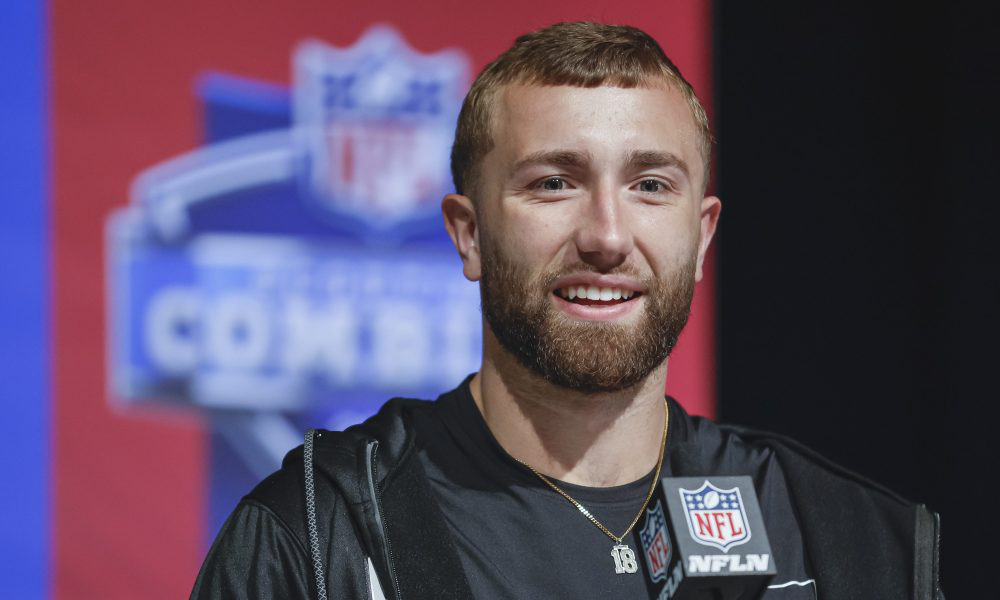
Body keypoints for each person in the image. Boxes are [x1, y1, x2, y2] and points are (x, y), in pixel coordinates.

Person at [191, 22, 943, 599]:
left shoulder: (848, 542)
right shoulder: (317, 541)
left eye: (651, 185)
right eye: (554, 183)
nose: (608, 237)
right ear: (470, 233)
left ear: (703, 234)